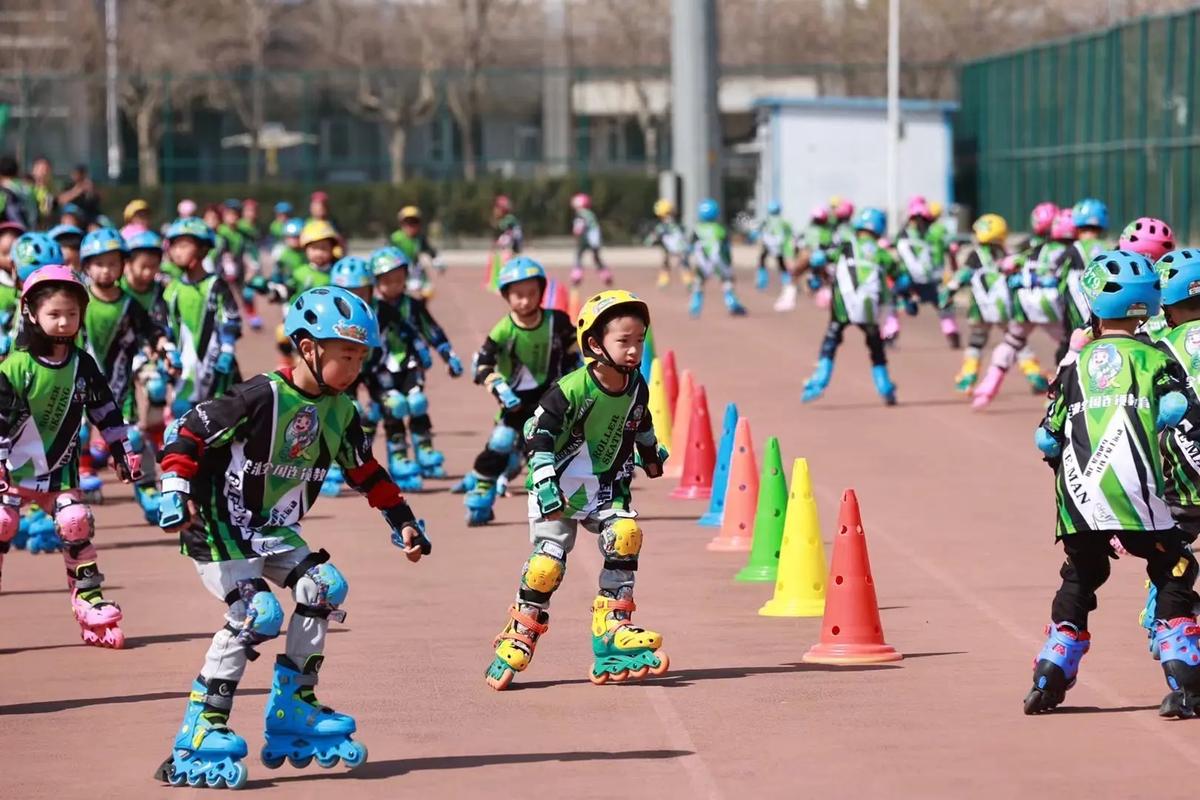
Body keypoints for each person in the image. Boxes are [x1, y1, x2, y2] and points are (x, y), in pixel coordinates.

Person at [153, 286, 430, 788]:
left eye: (361, 357)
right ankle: (201, 726)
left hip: (270, 529)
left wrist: (403, 519)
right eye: (346, 355)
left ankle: (293, 707)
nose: (355, 368)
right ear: (308, 349)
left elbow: (364, 469)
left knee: (324, 587)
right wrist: (175, 488)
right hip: (217, 521)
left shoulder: (341, 410)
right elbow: (186, 430)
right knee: (256, 614)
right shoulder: (259, 395)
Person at [1025, 249, 1200, 718]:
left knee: (1081, 576)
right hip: (1139, 495)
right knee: (1175, 567)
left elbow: (1046, 438)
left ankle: (1050, 670)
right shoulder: (1157, 358)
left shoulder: (1072, 367)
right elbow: (1179, 413)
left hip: (1079, 499)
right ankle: (1184, 675)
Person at [484, 289, 668, 690]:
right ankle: (523, 627)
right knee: (547, 564)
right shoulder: (571, 388)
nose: (634, 349)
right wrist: (545, 478)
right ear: (594, 344)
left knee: (625, 534)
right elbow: (537, 432)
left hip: (604, 487)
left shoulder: (637, 385)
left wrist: (651, 452)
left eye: (639, 340)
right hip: (558, 489)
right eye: (624, 341)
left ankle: (612, 627)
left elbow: (641, 420)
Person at [0, 266, 141, 647]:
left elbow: (106, 412)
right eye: (54, 315)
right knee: (2, 522)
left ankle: (89, 601)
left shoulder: (82, 365)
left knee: (75, 520)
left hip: (60, 474)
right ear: (30, 313)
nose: (64, 323)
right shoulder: (16, 366)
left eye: (72, 315)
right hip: (13, 472)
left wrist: (121, 450)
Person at [458, 257, 578, 525]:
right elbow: (482, 364)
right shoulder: (504, 329)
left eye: (531, 294)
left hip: (552, 400)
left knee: (557, 449)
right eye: (518, 295)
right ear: (506, 296)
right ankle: (481, 493)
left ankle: (573, 499)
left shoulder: (556, 322)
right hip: (515, 403)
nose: (525, 301)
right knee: (500, 441)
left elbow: (575, 350)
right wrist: (497, 385)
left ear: (541, 293)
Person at [801, 207, 905, 406]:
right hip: (869, 309)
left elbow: (819, 257)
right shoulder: (882, 253)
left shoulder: (847, 246)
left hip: (842, 306)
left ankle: (818, 382)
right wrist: (903, 297)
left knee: (830, 343)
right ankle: (885, 389)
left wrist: (814, 276)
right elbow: (900, 277)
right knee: (876, 347)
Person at [162, 218, 242, 417]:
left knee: (222, 418)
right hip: (186, 367)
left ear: (203, 249)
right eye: (174, 246)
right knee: (182, 412)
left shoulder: (216, 285)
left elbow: (230, 318)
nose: (177, 251)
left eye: (184, 245)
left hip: (217, 365)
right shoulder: (172, 288)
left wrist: (227, 350)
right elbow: (166, 325)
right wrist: (168, 351)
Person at [943, 214, 1014, 394]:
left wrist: (950, 290)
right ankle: (1033, 373)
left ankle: (968, 377)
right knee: (1016, 340)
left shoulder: (976, 255)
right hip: (1003, 307)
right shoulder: (1006, 254)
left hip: (980, 308)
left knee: (976, 342)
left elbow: (963, 275)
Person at [688, 198, 746, 318]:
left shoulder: (697, 229)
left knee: (699, 282)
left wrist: (690, 261)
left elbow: (691, 247)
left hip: (703, 262)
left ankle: (695, 306)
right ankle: (731, 303)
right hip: (719, 261)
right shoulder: (721, 229)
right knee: (727, 281)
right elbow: (726, 248)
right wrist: (729, 264)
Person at [644, 199, 690, 289]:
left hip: (670, 248)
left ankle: (664, 281)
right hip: (681, 247)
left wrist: (648, 241)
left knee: (666, 263)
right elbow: (683, 231)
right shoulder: (677, 224)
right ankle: (688, 281)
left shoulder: (663, 225)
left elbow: (655, 235)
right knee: (684, 264)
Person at [569, 193, 609, 287]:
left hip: (585, 239)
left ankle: (577, 275)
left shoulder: (580, 214)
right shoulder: (590, 213)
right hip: (595, 240)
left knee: (579, 256)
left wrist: (576, 232)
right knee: (596, 258)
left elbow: (579, 227)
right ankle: (605, 275)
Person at [754, 201, 794, 292]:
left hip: (768, 244)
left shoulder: (766, 221)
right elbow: (789, 232)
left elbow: (758, 231)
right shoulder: (783, 221)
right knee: (780, 262)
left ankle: (762, 283)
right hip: (778, 245)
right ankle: (787, 282)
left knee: (762, 260)